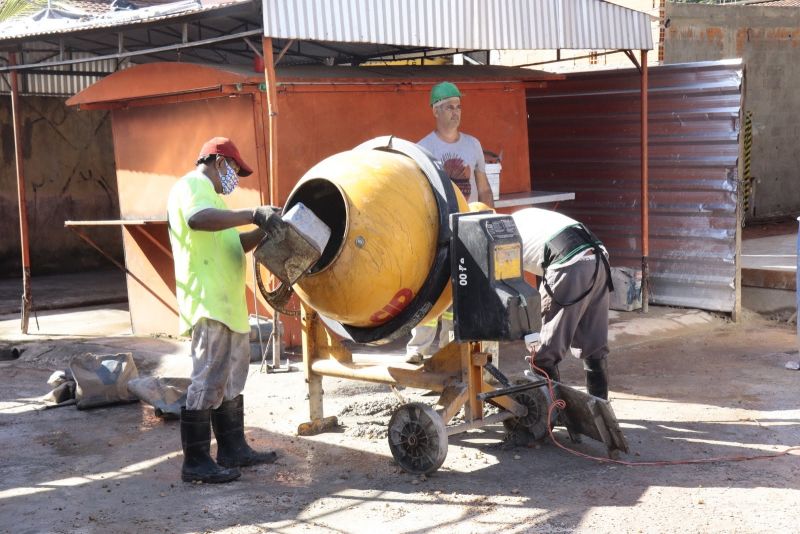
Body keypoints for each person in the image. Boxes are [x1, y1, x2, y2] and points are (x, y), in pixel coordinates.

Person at [167, 137, 280, 483]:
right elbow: (197, 220)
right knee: (208, 378)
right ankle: (196, 461)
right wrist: (250, 213)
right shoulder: (192, 186)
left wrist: (262, 227)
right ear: (218, 161)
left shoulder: (216, 201)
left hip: (229, 305)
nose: (235, 176)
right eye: (233, 169)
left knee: (230, 381)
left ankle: (233, 449)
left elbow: (236, 246)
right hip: (208, 302)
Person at [406, 81, 495, 363]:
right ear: (435, 110)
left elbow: (483, 186)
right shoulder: (423, 148)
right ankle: (417, 350)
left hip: (467, 228)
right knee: (430, 288)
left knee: (458, 292)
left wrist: (489, 222)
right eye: (448, 107)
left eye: (458, 106)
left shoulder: (473, 145)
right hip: (437, 230)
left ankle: (447, 353)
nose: (455, 112)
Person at [510, 207, 613, 400]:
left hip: (569, 262)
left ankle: (552, 412)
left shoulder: (506, 233)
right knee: (594, 343)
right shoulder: (525, 215)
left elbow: (512, 287)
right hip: (599, 258)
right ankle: (600, 408)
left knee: (545, 349)